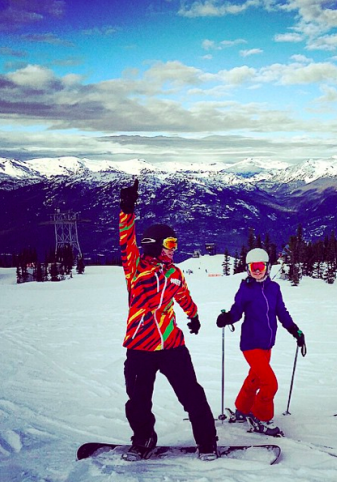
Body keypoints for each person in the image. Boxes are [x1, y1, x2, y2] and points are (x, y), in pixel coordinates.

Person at [118, 179, 218, 461]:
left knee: (192, 395)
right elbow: (126, 239)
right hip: (139, 346)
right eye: (170, 243)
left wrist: (194, 316)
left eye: (175, 243)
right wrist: (127, 210)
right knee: (138, 402)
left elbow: (184, 296)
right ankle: (143, 439)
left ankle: (207, 441)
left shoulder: (175, 273)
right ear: (155, 246)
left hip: (172, 345)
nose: (174, 248)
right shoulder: (135, 268)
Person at [216, 248, 306, 437]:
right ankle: (261, 418)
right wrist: (227, 318)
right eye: (252, 267)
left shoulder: (274, 289)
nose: (257, 270)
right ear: (248, 269)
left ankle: (242, 409)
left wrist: (294, 330)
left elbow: (281, 312)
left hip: (267, 344)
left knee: (255, 378)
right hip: (250, 344)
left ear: (267, 267)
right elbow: (236, 311)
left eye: (260, 266)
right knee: (269, 383)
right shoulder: (245, 290)